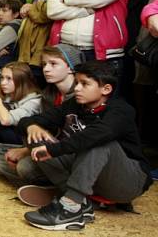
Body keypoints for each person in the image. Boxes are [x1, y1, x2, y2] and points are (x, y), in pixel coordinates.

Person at [18, 61, 152, 231]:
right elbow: (26, 121)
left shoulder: (121, 110)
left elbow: (96, 136)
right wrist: (31, 126)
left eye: (85, 84)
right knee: (34, 137)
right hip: (89, 173)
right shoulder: (74, 104)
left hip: (128, 180)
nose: (77, 89)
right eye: (77, 83)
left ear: (106, 89)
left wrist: (53, 150)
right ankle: (81, 202)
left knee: (99, 141)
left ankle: (70, 208)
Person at [0, 45, 83, 189]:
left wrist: (27, 150)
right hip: (48, 150)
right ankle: (42, 185)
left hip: (73, 155)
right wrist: (26, 147)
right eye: (44, 64)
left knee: (24, 167)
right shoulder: (48, 95)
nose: (46, 69)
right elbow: (42, 128)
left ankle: (64, 189)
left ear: (70, 67)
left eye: (53, 64)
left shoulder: (81, 95)